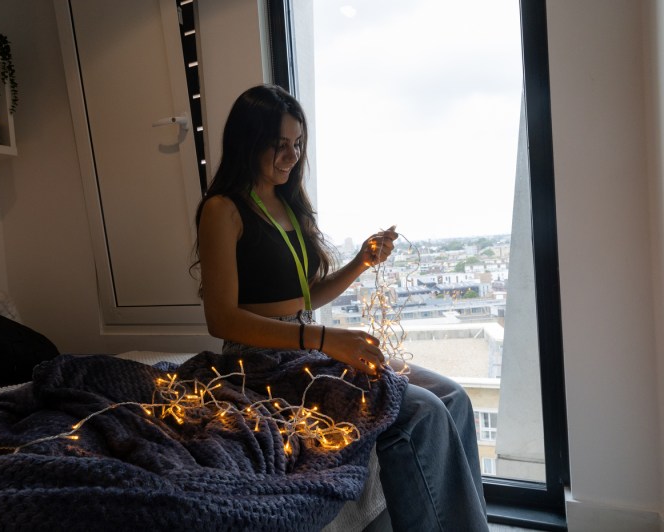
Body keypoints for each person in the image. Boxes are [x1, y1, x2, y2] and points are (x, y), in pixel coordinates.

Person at [192, 84, 488, 531]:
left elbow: (307, 297)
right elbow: (222, 319)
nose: (291, 157)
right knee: (422, 412)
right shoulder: (223, 210)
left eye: (297, 145)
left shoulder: (288, 204)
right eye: (279, 146)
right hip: (259, 362)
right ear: (247, 142)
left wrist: (361, 262)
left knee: (453, 397)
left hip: (305, 346)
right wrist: (326, 339)